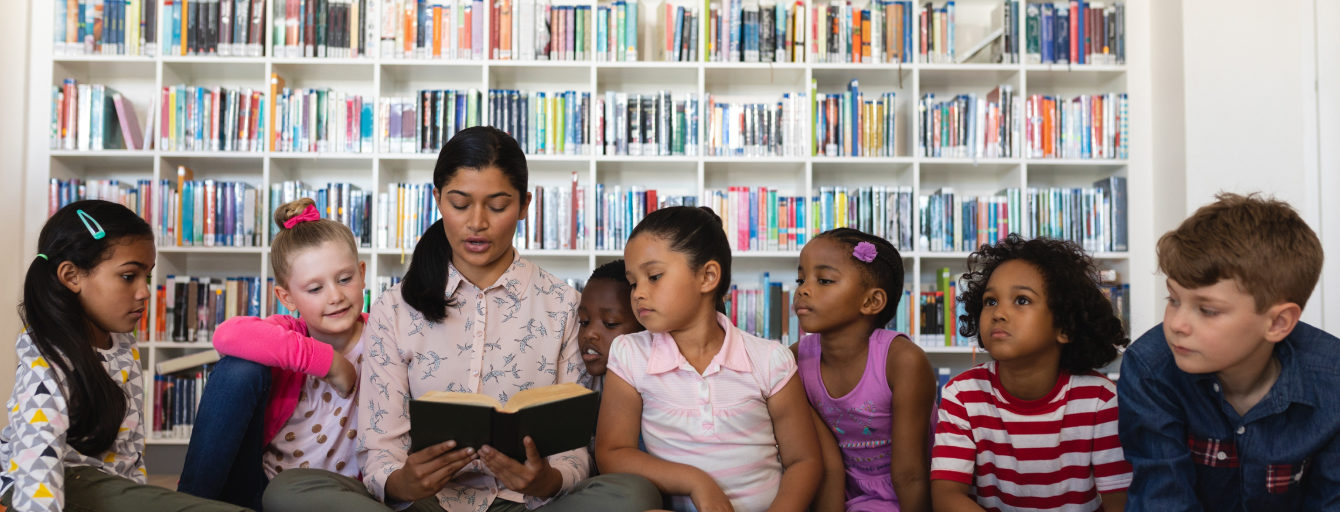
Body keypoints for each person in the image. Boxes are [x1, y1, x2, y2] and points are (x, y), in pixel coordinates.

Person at [263, 126, 660, 512]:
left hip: (526, 504)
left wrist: (547, 480)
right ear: (437, 199)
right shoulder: (395, 308)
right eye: (459, 203)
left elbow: (575, 451)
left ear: (525, 205)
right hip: (426, 504)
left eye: (498, 205)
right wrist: (404, 482)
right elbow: (380, 449)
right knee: (290, 490)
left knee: (632, 494)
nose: (477, 223)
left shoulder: (564, 306)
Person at [1, 200, 247, 511]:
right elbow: (36, 465)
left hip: (105, 486)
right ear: (72, 276)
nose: (145, 291)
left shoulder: (122, 344)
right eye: (129, 276)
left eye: (147, 276)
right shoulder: (47, 360)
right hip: (53, 485)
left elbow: (130, 453)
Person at [1118, 192, 1340, 510]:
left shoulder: (1332, 380)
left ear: (1278, 322)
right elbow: (1163, 498)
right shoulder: (1149, 369)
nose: (1177, 324)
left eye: (1207, 310)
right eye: (1173, 299)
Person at [597, 205, 824, 512]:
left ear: (707, 277)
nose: (637, 293)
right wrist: (695, 481)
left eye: (654, 276)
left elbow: (804, 460)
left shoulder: (770, 360)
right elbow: (612, 452)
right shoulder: (630, 354)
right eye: (633, 282)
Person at [179, 198, 368, 509]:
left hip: (345, 495)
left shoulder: (384, 336)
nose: (335, 296)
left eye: (345, 279)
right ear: (286, 297)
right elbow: (225, 334)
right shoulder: (289, 332)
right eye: (315, 288)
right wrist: (327, 362)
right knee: (238, 369)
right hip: (263, 490)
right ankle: (188, 504)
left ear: (362, 275)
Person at [931, 234, 1132, 512]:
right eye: (990, 301)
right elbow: (946, 496)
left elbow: (1118, 502)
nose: (999, 312)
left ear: (1065, 326)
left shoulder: (1099, 399)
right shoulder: (962, 395)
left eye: (1022, 300)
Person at [792, 228, 936, 512]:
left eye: (824, 280)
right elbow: (826, 463)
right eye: (801, 278)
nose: (803, 289)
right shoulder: (796, 360)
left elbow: (911, 474)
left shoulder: (903, 361)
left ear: (871, 301)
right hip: (836, 490)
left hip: (908, 492)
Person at [577, 259, 644, 392]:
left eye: (610, 323)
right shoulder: (586, 385)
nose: (589, 333)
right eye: (584, 322)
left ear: (644, 327)